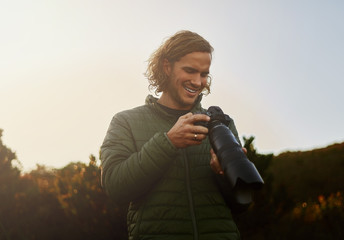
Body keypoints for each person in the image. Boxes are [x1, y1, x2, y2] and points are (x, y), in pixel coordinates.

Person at [100, 30, 248, 240]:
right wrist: (167, 143)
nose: (198, 82)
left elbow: (242, 204)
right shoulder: (126, 122)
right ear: (166, 67)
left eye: (204, 74)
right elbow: (116, 187)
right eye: (190, 70)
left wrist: (223, 174)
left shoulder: (222, 124)